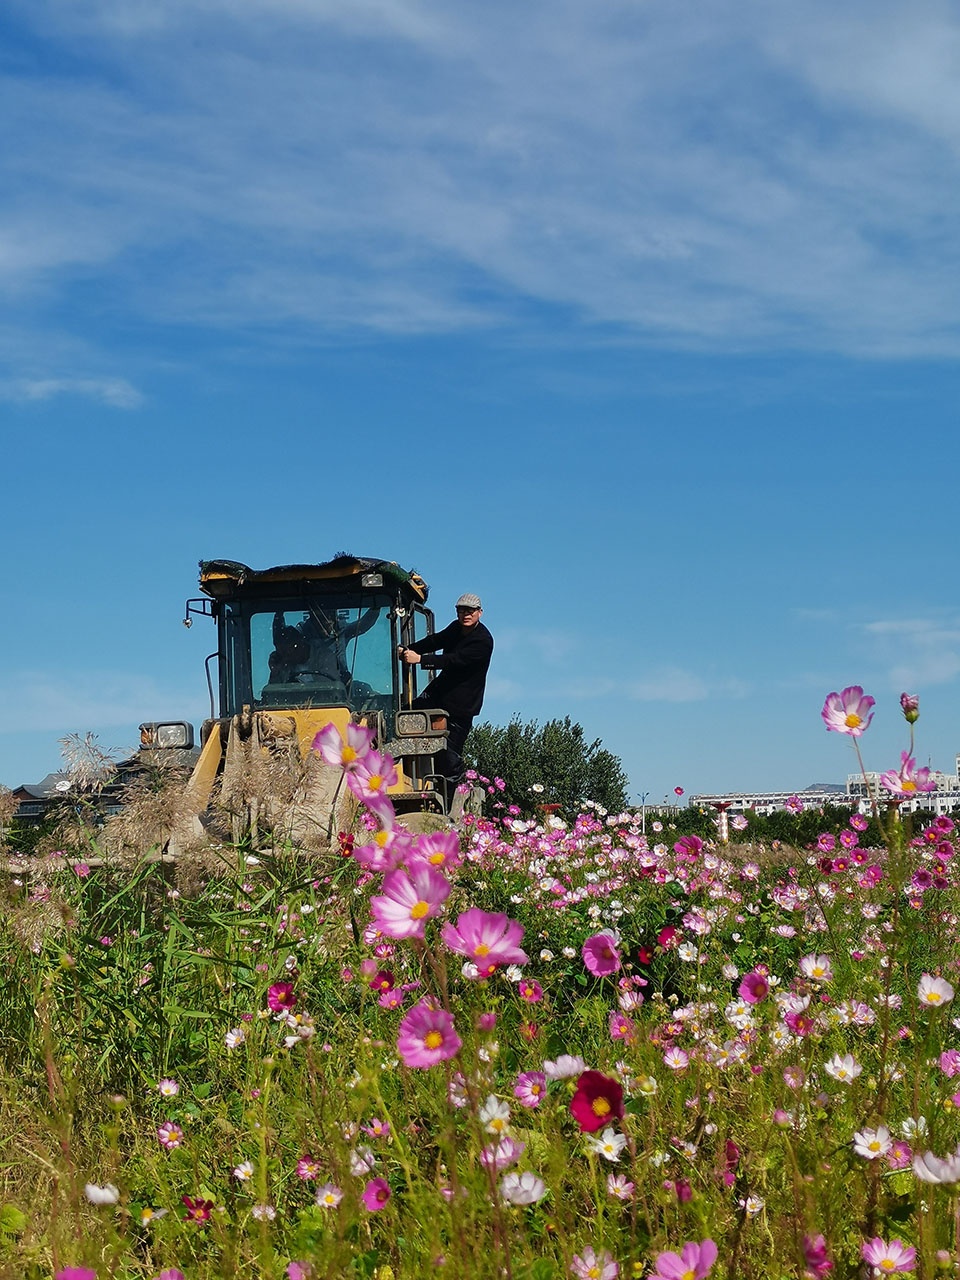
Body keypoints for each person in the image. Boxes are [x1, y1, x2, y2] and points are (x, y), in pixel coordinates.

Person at [399, 592, 493, 782]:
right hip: (439, 693)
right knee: (406, 712)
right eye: (461, 610)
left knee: (448, 757)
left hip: (461, 707)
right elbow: (436, 640)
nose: (466, 614)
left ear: (480, 613)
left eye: (471, 610)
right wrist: (410, 649)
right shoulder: (455, 628)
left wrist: (420, 659)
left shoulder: (483, 640)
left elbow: (454, 660)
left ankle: (450, 803)